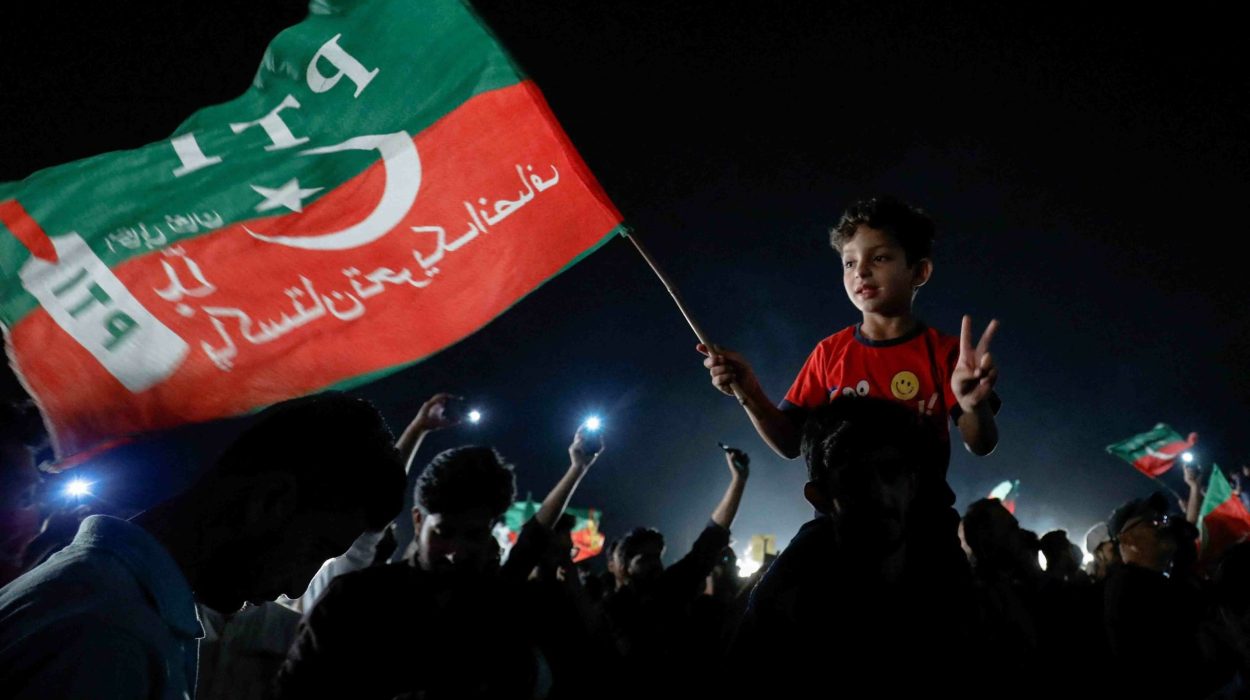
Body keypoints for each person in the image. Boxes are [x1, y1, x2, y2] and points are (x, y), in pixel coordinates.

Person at [0, 393, 405, 700]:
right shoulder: (110, 639)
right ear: (269, 501)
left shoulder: (103, 595)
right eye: (318, 546)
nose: (298, 587)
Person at [275, 426, 603, 699]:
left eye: (473, 536)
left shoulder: (494, 605)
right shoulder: (355, 599)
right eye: (444, 533)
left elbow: (530, 544)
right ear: (418, 521)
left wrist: (578, 468)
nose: (455, 552)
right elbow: (294, 690)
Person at [733, 397, 967, 695]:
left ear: (913, 484)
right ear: (819, 497)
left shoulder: (949, 593)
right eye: (855, 478)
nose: (878, 493)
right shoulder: (784, 604)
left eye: (890, 471)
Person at [600, 444, 749, 696]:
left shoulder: (672, 587)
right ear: (624, 567)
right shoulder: (612, 609)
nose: (654, 563)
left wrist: (739, 480)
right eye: (644, 558)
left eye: (656, 555)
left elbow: (711, 538)